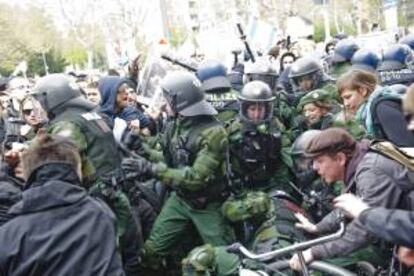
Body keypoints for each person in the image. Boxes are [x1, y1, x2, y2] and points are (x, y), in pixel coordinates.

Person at [122, 71, 235, 270]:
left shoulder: (214, 133)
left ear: (179, 102)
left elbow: (196, 178)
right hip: (181, 200)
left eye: (167, 99)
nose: (163, 104)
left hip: (208, 205)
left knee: (224, 261)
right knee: (150, 252)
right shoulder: (177, 124)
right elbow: (169, 159)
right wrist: (143, 148)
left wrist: (150, 169)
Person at [31, 74, 140, 275]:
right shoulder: (90, 115)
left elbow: (62, 164)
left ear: (51, 99)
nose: (37, 107)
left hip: (97, 201)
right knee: (128, 257)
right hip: (115, 195)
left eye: (39, 101)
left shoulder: (67, 124)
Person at [288, 128, 414, 270]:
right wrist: (318, 227)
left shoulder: (371, 172)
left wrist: (314, 252)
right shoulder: (361, 161)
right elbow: (348, 205)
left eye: (319, 161)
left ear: (340, 159)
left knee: (331, 263)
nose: (315, 167)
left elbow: (366, 228)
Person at [0, 134, 125, 276]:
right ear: (77, 170)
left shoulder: (8, 235)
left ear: (26, 174)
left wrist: (4, 168)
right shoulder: (102, 215)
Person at [337, 69, 414, 146]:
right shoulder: (370, 112)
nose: (345, 103)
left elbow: (407, 147)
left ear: (363, 91)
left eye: (348, 97)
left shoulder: (382, 108)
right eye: (343, 99)